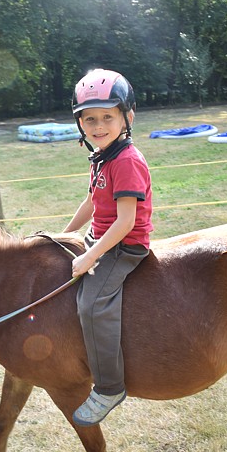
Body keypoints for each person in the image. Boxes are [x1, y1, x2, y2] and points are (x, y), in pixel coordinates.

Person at [63, 69, 153, 426]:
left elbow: (126, 222)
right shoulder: (102, 156)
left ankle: (109, 387)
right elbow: (90, 205)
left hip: (124, 246)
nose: (98, 126)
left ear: (127, 117)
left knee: (92, 304)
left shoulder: (126, 161)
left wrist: (90, 255)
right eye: (90, 119)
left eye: (107, 117)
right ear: (80, 123)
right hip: (100, 237)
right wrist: (62, 235)